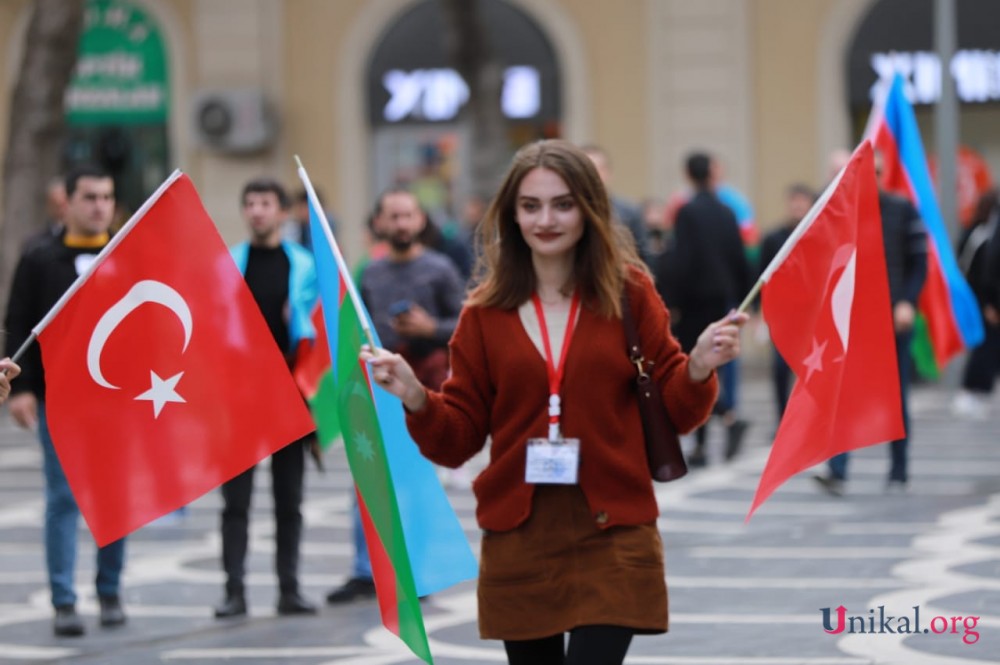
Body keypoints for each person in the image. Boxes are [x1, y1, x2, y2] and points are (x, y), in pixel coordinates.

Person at [360, 140, 746, 664]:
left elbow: (675, 410)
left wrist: (698, 366)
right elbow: (458, 439)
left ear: (588, 208)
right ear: (512, 215)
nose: (547, 219)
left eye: (563, 204)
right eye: (531, 205)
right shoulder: (483, 313)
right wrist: (415, 396)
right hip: (520, 536)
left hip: (614, 530)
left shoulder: (629, 293)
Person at [3, 164, 128, 636]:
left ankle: (110, 590)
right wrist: (24, 388)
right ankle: (64, 600)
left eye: (107, 197)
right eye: (90, 197)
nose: (99, 206)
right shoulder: (39, 258)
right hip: (62, 401)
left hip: (120, 401)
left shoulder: (126, 252)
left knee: (114, 496)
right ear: (68, 202)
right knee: (62, 499)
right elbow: (19, 323)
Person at [326, 187, 466, 604]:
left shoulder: (440, 268)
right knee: (367, 477)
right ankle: (364, 570)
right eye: (393, 216)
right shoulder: (370, 272)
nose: (401, 224)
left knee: (418, 483)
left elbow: (465, 324)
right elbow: (355, 324)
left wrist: (431, 330)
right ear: (380, 223)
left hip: (425, 388)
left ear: (420, 220)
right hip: (377, 387)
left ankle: (416, 570)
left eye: (408, 215)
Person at [215, 178, 319, 618]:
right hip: (239, 397)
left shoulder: (304, 264)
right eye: (251, 203)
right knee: (235, 502)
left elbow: (319, 331)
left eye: (266, 203)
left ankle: (289, 589)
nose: (258, 211)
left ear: (281, 212)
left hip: (289, 396)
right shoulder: (229, 264)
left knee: (288, 500)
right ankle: (234, 591)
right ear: (244, 210)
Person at [814, 150, 928, 495]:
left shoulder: (903, 210)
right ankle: (838, 470)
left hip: (894, 319)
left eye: (877, 172)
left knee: (895, 399)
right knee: (845, 395)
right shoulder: (840, 213)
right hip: (855, 319)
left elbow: (920, 263)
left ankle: (898, 470)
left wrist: (907, 301)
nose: (872, 178)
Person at [657, 151, 752, 467]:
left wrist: (671, 299)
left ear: (687, 175)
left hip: (695, 298)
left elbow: (682, 259)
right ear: (711, 173)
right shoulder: (726, 211)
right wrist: (741, 297)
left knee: (693, 365)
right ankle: (705, 440)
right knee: (710, 367)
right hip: (721, 298)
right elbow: (739, 256)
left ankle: (727, 418)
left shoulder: (687, 213)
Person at [758, 184, 817, 421]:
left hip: (812, 314)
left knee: (813, 369)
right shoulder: (774, 238)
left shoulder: (818, 235)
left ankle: (811, 418)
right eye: (793, 201)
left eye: (802, 201)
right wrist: (758, 313)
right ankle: (783, 418)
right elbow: (761, 275)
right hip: (783, 315)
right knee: (780, 369)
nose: (797, 206)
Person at [951, 188, 1000, 418]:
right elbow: (980, 273)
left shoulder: (982, 233)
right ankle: (971, 392)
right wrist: (988, 303)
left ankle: (979, 391)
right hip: (982, 301)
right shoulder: (982, 235)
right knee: (984, 347)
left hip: (984, 300)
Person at [582, 144, 650, 263]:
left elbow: (644, 255)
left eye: (598, 169)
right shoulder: (570, 211)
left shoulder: (629, 211)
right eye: (587, 170)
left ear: (608, 172)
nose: (593, 176)